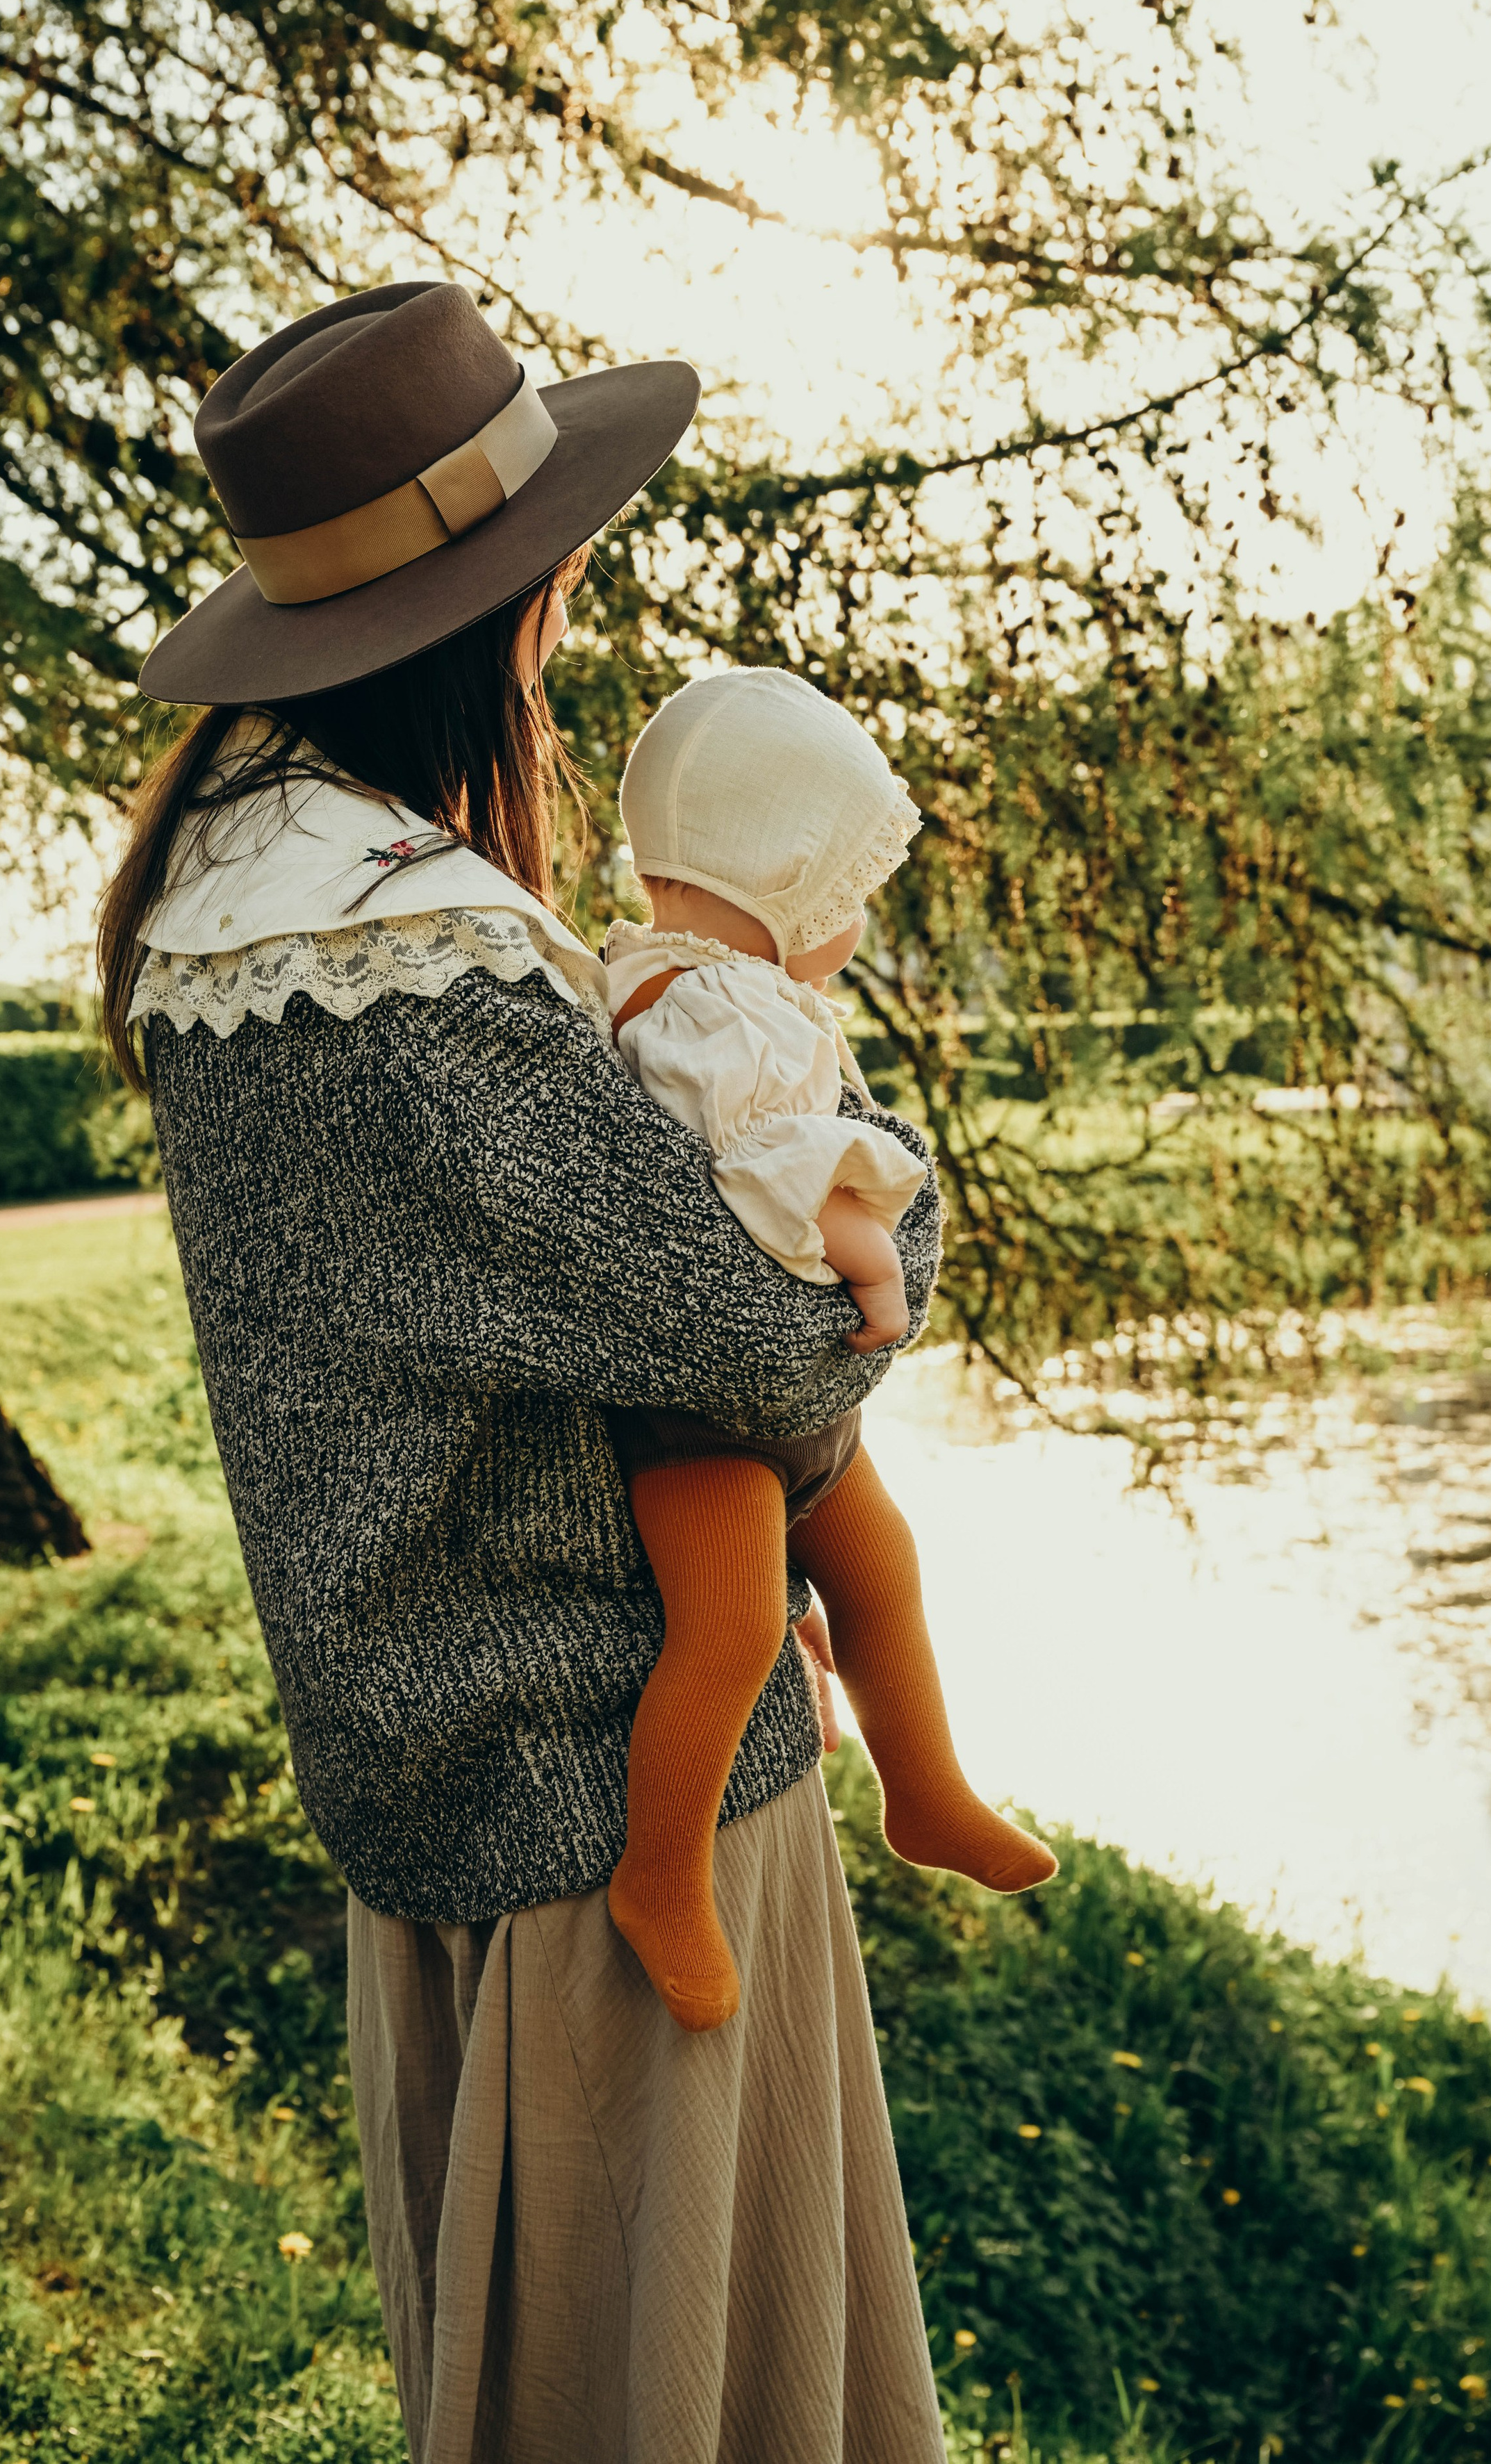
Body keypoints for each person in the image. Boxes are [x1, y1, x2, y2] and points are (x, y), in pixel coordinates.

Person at [95, 279, 950, 2464]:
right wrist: (896, 1207)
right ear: (498, 601)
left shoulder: (226, 892)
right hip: (597, 1803)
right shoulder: (419, 958)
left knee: (538, 2379)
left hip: (424, 1770)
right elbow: (762, 1346)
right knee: (663, 2391)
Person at [601, 667, 1057, 2031]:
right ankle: (659, 1874)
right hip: (696, 1425)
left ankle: (921, 1790)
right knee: (733, 1625)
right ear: (785, 878)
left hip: (783, 1417)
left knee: (880, 1560)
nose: (856, 924)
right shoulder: (708, 1013)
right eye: (847, 893)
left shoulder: (706, 985)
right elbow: (755, 1169)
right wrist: (865, 1237)